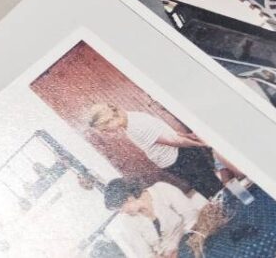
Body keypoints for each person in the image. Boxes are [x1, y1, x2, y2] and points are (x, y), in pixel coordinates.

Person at [87, 103, 223, 197]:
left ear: (110, 120)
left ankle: (230, 210)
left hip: (180, 159)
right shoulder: (130, 121)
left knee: (212, 189)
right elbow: (165, 132)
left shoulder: (135, 126)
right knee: (209, 187)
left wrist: (202, 144)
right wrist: (187, 136)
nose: (107, 132)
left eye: (105, 129)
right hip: (176, 160)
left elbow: (174, 141)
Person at [102, 177, 209, 258]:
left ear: (128, 198)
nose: (122, 212)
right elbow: (144, 254)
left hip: (193, 238)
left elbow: (191, 216)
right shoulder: (128, 221)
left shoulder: (161, 189)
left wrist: (176, 245)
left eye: (120, 208)